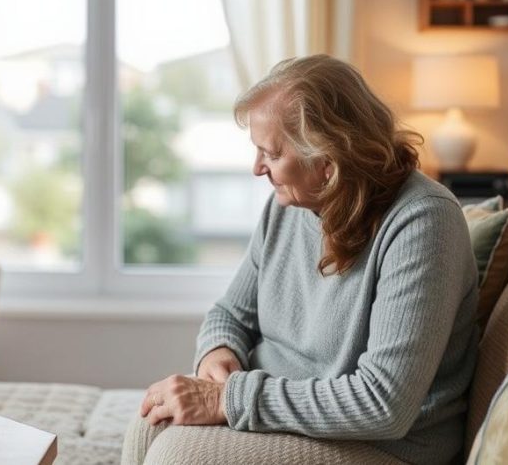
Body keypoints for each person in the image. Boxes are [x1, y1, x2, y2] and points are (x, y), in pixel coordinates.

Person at [122, 55, 479, 465]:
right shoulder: (287, 206)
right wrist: (218, 353)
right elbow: (230, 314)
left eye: (271, 153)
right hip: (289, 410)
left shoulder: (423, 221)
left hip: (383, 446)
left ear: (328, 164)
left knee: (179, 458)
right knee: (150, 422)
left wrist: (229, 399)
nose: (257, 168)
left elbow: (383, 404)